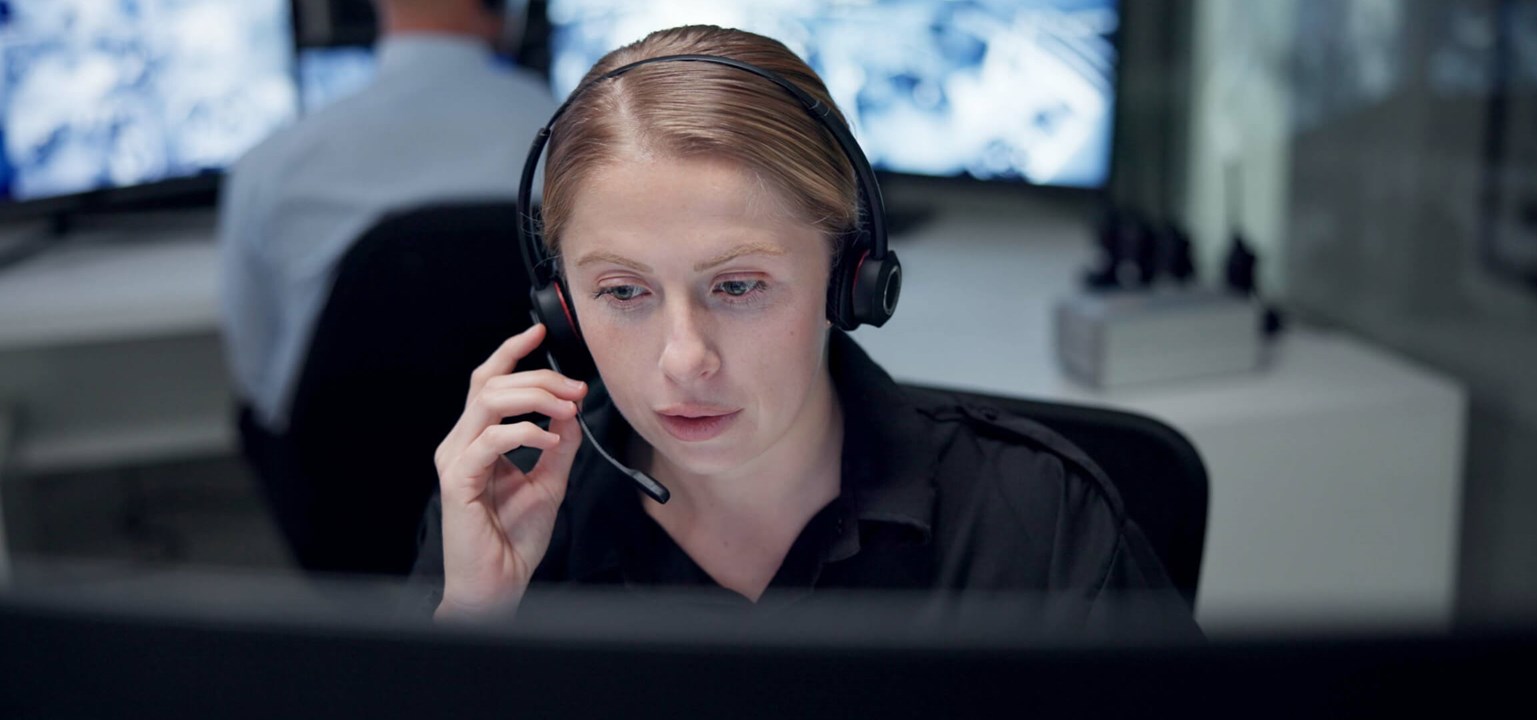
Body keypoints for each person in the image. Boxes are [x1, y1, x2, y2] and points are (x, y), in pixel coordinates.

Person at [410, 25, 1200, 639]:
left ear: (849, 276)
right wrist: (474, 624)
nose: (685, 359)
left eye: (739, 285)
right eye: (623, 291)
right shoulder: (501, 513)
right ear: (559, 305)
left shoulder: (1037, 523)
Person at [219, 0, 557, 432]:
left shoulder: (270, 166)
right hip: (537, 455)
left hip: (346, 478)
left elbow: (262, 386)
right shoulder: (574, 146)